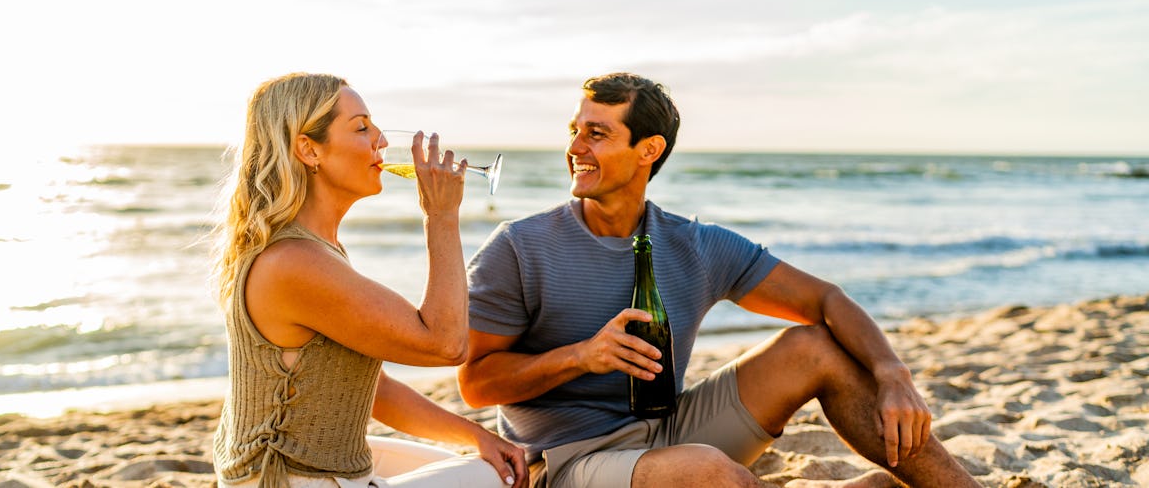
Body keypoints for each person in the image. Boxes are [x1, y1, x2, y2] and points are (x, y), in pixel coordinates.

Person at [458, 72, 980, 488]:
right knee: (710, 473)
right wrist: (581, 356)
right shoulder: (519, 247)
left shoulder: (694, 245)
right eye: (574, 130)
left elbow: (825, 299)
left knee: (814, 348)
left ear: (649, 150)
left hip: (672, 427)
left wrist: (893, 375)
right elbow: (476, 384)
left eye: (597, 134)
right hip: (571, 460)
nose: (576, 147)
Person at [210, 73, 528, 488]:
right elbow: (448, 344)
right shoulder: (294, 262)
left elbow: (370, 388)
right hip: (284, 478)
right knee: (496, 478)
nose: (381, 141)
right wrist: (442, 216)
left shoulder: (314, 250)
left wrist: (477, 435)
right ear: (309, 149)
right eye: (361, 127)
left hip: (302, 469)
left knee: (480, 456)